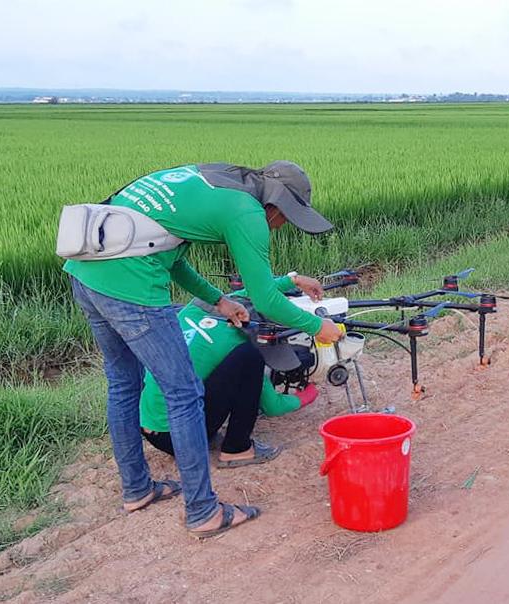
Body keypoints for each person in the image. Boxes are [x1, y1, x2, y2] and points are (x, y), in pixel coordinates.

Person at [63, 161, 342, 538]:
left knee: (123, 385)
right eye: (288, 218)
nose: (283, 226)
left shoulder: (206, 181)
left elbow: (170, 256)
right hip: (132, 289)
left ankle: (137, 489)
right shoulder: (248, 213)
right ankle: (202, 511)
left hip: (86, 275)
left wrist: (220, 300)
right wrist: (317, 326)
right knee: (183, 393)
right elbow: (266, 299)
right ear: (277, 206)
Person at [139, 272, 322, 466]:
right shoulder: (237, 341)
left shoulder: (194, 308)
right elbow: (274, 406)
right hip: (178, 436)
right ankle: (237, 448)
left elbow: (249, 294)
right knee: (250, 357)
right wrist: (309, 393)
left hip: (150, 425)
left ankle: (207, 436)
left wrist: (293, 280)